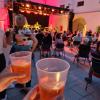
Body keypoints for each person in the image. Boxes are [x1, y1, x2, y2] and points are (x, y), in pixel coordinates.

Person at [0, 28, 7, 99]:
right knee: (3, 77)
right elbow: (5, 45)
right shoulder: (1, 31)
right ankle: (2, 96)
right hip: (0, 56)